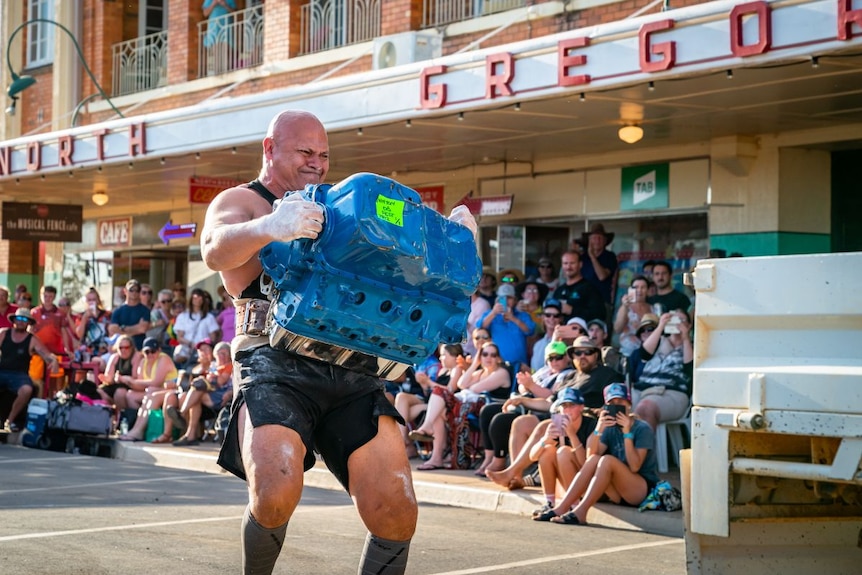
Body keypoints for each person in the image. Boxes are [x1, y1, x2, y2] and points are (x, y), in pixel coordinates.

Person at [200, 109, 477, 574]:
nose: (317, 162)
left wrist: (451, 245)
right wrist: (271, 226)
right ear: (270, 149)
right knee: (274, 490)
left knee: (397, 509)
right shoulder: (244, 202)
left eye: (324, 154)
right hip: (273, 365)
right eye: (304, 151)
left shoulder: (338, 205)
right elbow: (213, 247)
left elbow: (407, 275)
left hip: (354, 365)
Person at [534, 383, 659, 525]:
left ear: (629, 404)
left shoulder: (642, 428)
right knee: (596, 459)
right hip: (617, 491)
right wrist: (599, 429)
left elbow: (635, 466)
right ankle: (562, 507)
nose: (616, 406)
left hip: (641, 490)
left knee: (607, 460)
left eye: (620, 402)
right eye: (611, 403)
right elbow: (590, 458)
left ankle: (580, 512)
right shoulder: (609, 427)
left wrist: (627, 433)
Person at [407, 340, 510, 473]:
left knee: (439, 393)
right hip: (469, 407)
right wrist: (475, 364)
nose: (488, 358)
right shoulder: (479, 373)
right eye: (484, 354)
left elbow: (474, 388)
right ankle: (436, 457)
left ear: (498, 358)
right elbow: (462, 384)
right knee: (439, 412)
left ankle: (427, 428)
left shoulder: (501, 372)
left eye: (493, 355)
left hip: (489, 409)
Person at [529, 387, 597, 516]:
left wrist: (572, 435)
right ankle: (549, 502)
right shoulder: (557, 424)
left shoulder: (591, 425)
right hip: (564, 483)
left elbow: (586, 464)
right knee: (548, 450)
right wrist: (545, 440)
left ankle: (574, 505)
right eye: (564, 406)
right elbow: (533, 457)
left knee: (564, 451)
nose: (567, 410)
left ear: (582, 407)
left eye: (572, 405)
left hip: (586, 482)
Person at [632, 310, 693, 431]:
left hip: (671, 393)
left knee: (645, 408)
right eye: (673, 320)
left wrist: (685, 338)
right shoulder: (658, 341)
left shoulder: (692, 347)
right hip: (642, 391)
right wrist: (660, 326)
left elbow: (689, 368)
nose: (676, 324)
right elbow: (644, 354)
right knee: (614, 408)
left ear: (689, 326)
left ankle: (642, 449)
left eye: (681, 320)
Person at [0, 308, 59, 431]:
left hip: (19, 374)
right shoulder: (4, 333)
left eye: (24, 319)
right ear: (14, 320)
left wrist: (53, 360)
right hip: (2, 370)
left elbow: (47, 355)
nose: (21, 321)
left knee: (26, 389)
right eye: (19, 318)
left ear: (28, 323)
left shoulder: (32, 339)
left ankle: (9, 421)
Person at [478, 283, 535, 369]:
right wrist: (493, 313)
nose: (506, 301)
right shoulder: (490, 314)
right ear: (497, 300)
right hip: (497, 364)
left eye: (509, 298)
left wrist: (513, 318)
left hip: (519, 365)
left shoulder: (522, 315)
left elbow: (530, 330)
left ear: (515, 300)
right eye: (502, 298)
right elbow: (480, 327)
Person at [552, 251, 605, 323]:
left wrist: (572, 310)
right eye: (565, 263)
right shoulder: (559, 290)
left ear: (580, 264)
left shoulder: (589, 288)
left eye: (572, 263)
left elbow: (600, 315)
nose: (568, 267)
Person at [579, 223, 619, 309]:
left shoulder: (610, 256)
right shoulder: (582, 258)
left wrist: (592, 256)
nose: (597, 241)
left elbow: (602, 276)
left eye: (600, 238)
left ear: (605, 241)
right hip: (584, 300)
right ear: (589, 241)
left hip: (602, 301)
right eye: (594, 238)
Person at [108, 279, 152, 350]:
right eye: (131, 290)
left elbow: (142, 329)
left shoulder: (145, 310)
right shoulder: (118, 310)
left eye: (137, 290)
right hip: (121, 349)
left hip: (138, 348)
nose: (134, 292)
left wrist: (122, 329)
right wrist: (136, 328)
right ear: (125, 291)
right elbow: (112, 329)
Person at [530, 299, 565, 371]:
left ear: (561, 319)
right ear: (543, 317)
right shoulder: (538, 344)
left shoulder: (565, 343)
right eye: (548, 315)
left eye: (556, 316)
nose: (551, 318)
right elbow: (534, 370)